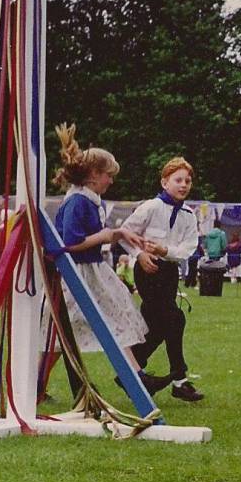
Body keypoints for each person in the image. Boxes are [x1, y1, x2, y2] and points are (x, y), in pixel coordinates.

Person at [50, 124, 167, 395]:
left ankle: (135, 376)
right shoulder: (77, 201)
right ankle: (33, 383)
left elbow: (102, 235)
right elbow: (71, 243)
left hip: (92, 271)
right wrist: (108, 235)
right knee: (59, 333)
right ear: (93, 175)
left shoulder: (92, 199)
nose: (111, 181)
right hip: (75, 273)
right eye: (107, 176)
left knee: (116, 318)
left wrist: (118, 233)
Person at [120, 157, 203, 402]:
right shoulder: (150, 207)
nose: (184, 185)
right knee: (175, 318)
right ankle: (180, 379)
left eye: (187, 181)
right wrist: (140, 253)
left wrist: (167, 251)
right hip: (147, 270)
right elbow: (125, 233)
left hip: (168, 272)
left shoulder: (189, 215)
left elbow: (189, 247)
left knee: (157, 327)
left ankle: (130, 373)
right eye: (178, 180)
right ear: (164, 182)